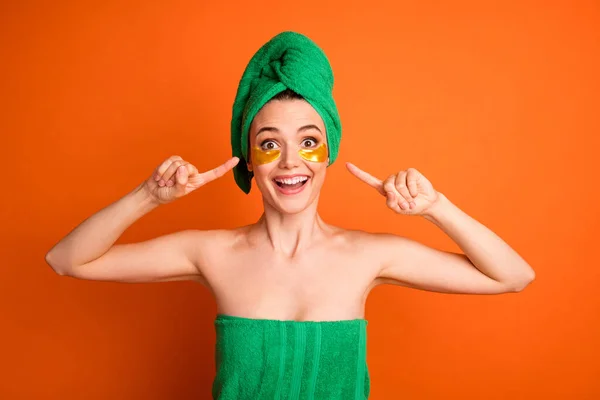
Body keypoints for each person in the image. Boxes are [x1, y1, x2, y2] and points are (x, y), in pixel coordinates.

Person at [45, 31, 535, 399]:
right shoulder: (212, 253)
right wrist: (148, 197)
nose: (289, 163)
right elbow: (68, 259)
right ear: (249, 159)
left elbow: (513, 276)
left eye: (308, 142)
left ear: (328, 151)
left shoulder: (368, 256)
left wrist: (435, 208)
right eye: (268, 144)